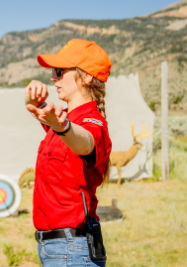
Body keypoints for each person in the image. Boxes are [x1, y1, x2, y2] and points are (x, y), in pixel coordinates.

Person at [25, 39, 112, 267]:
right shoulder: (63, 119)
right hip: (57, 248)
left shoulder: (92, 123)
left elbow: (84, 142)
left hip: (72, 249)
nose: (54, 78)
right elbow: (46, 115)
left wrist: (63, 128)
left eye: (60, 71)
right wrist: (31, 99)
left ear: (87, 76)